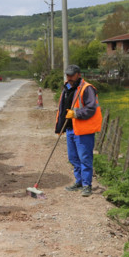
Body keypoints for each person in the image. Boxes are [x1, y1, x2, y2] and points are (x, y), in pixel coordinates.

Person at [55, 65, 102, 196]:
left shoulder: (87, 89)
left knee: (85, 158)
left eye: (71, 75)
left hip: (83, 130)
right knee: (73, 158)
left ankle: (87, 185)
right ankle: (79, 182)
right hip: (70, 128)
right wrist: (60, 126)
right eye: (67, 75)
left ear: (78, 74)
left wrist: (76, 113)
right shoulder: (66, 88)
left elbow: (91, 108)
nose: (69, 77)